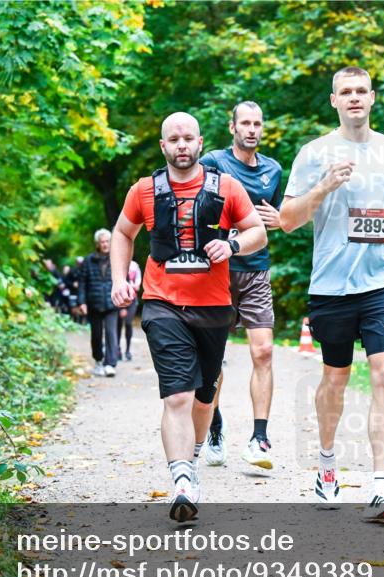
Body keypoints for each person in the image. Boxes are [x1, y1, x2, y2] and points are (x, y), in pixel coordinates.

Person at [279, 67, 384, 522]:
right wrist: (323, 186)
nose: (355, 98)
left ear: (373, 98)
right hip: (332, 284)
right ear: (334, 100)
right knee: (335, 379)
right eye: (346, 92)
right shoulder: (314, 152)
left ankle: (381, 483)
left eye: (362, 91)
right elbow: (286, 220)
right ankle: (326, 466)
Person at [110, 111, 266, 522]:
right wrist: (120, 279)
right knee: (177, 394)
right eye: (173, 139)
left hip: (214, 308)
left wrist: (232, 245)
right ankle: (181, 479)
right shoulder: (143, 191)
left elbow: (258, 232)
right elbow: (123, 233)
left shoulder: (227, 187)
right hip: (162, 303)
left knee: (203, 396)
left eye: (188, 138)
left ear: (200, 144)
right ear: (164, 146)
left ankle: (192, 457)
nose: (181, 145)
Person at [199, 101, 283, 471]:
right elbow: (194, 203)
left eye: (257, 123)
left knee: (263, 352)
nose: (251, 129)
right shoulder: (215, 162)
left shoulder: (273, 170)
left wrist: (280, 220)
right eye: (245, 123)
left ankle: (259, 438)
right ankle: (215, 425)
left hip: (256, 271)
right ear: (232, 127)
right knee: (212, 360)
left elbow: (276, 220)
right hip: (216, 272)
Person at [77, 230, 119, 377]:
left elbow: (122, 279)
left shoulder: (116, 258)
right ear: (98, 244)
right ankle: (99, 361)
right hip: (94, 303)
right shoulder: (89, 261)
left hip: (112, 302)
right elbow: (82, 282)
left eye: (108, 241)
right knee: (96, 335)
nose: (105, 244)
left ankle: (110, 364)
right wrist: (81, 302)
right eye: (102, 242)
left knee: (111, 333)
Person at [116, 258, 143, 360]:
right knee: (118, 324)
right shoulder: (118, 263)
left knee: (128, 323)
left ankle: (127, 350)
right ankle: (117, 348)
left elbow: (138, 281)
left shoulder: (135, 265)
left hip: (132, 299)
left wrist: (135, 285)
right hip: (120, 299)